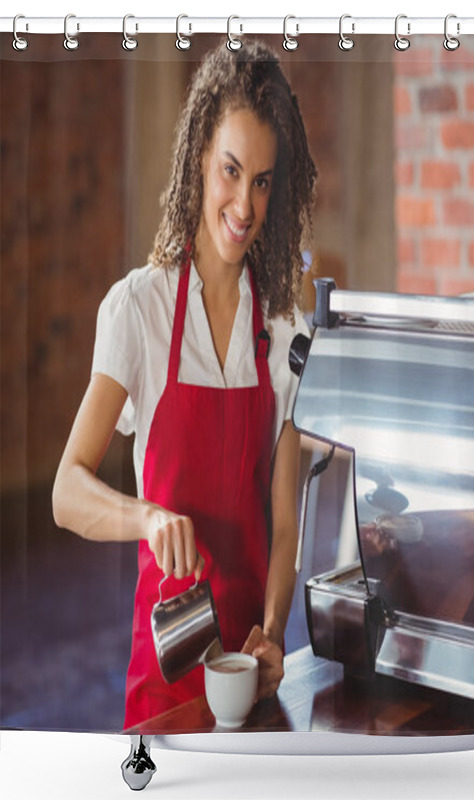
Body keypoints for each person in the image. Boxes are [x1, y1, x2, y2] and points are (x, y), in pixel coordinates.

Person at [52, 40, 317, 729]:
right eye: (231, 171)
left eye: (262, 181)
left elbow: (284, 523)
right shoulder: (137, 310)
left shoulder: (286, 327)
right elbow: (65, 491)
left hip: (251, 682)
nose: (244, 204)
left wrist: (274, 628)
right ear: (200, 154)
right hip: (165, 678)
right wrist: (146, 517)